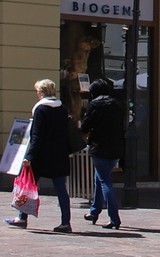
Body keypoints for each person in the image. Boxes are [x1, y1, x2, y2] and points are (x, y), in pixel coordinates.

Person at [9, 78, 76, 232]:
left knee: (29, 186)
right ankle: (66, 222)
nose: (37, 93)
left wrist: (30, 156)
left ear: (41, 92)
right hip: (59, 154)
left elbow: (37, 135)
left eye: (38, 91)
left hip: (42, 155)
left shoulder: (40, 109)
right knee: (61, 189)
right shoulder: (61, 108)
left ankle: (22, 217)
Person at [79, 76, 125, 229]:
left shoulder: (94, 105)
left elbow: (86, 126)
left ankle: (114, 218)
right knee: (99, 179)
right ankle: (94, 211)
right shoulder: (117, 105)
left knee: (105, 181)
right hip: (116, 148)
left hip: (99, 148)